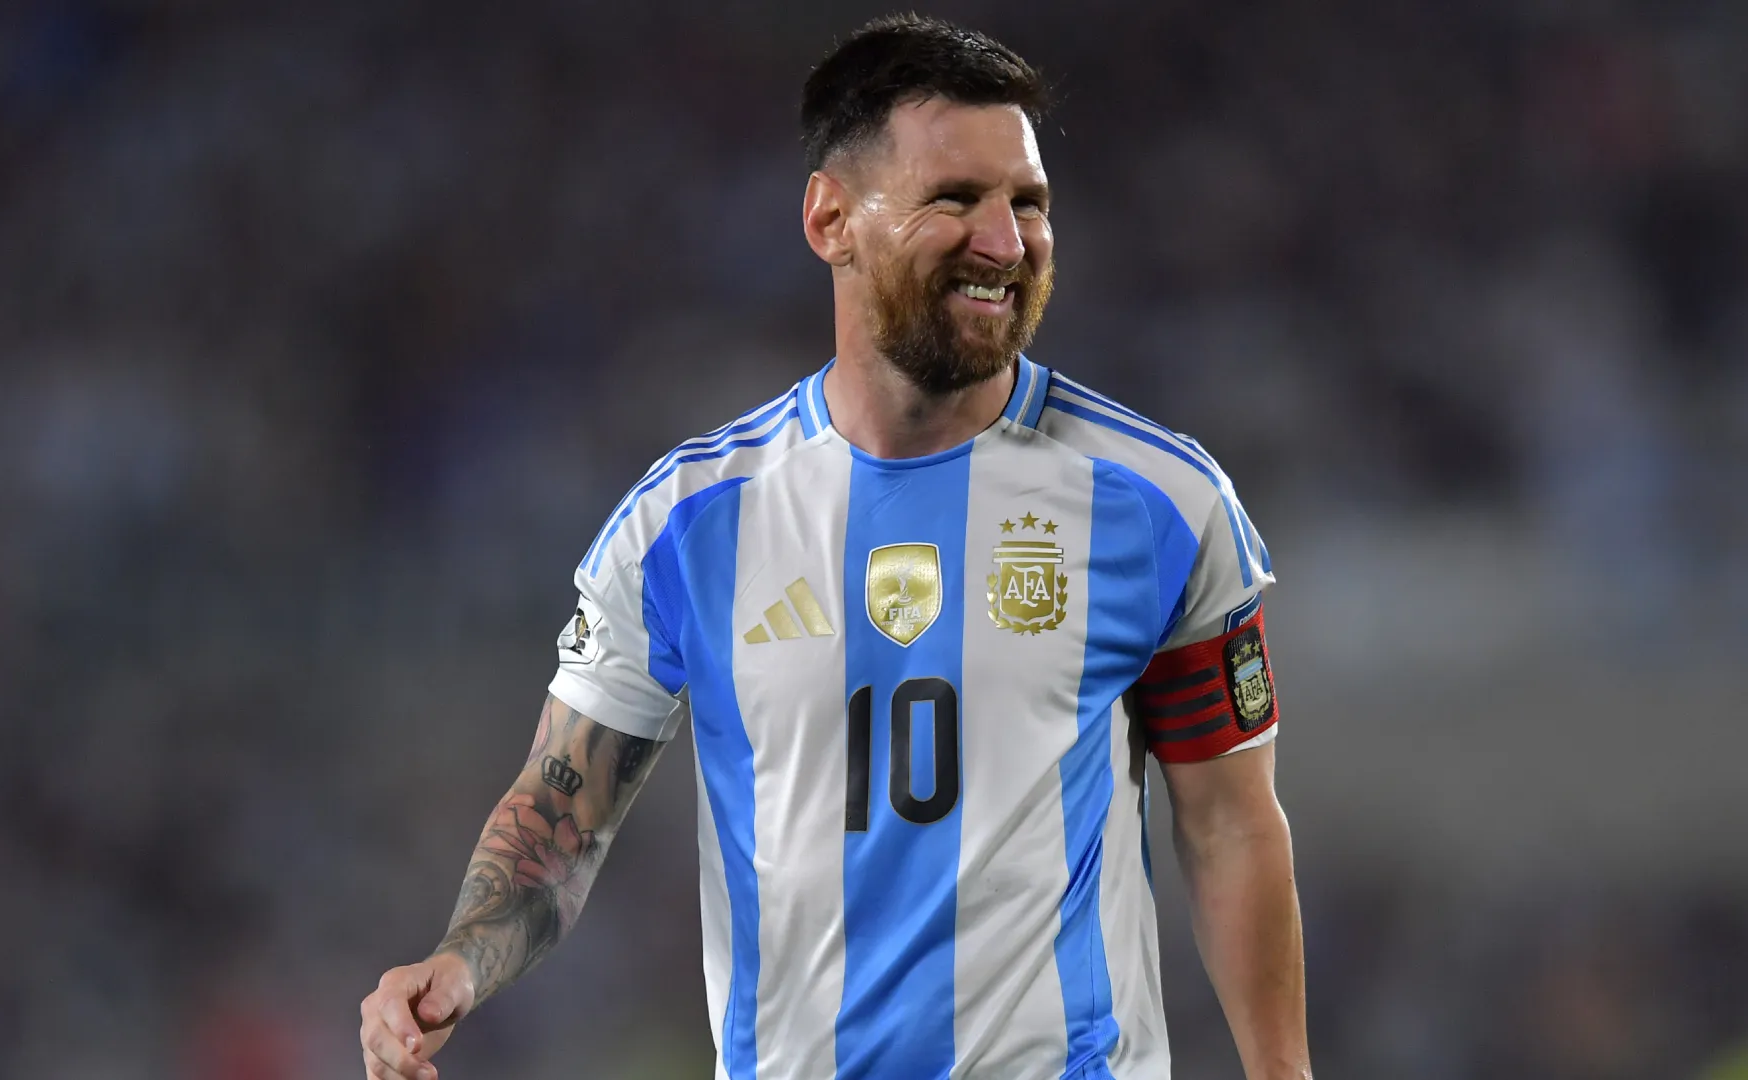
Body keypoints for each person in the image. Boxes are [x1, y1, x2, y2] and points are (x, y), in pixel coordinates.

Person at [360, 14, 1310, 1080]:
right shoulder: (684, 522)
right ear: (831, 218)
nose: (1005, 242)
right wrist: (460, 962)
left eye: (1027, 203)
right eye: (956, 199)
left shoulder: (1161, 504)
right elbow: (561, 812)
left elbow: (1231, 826)